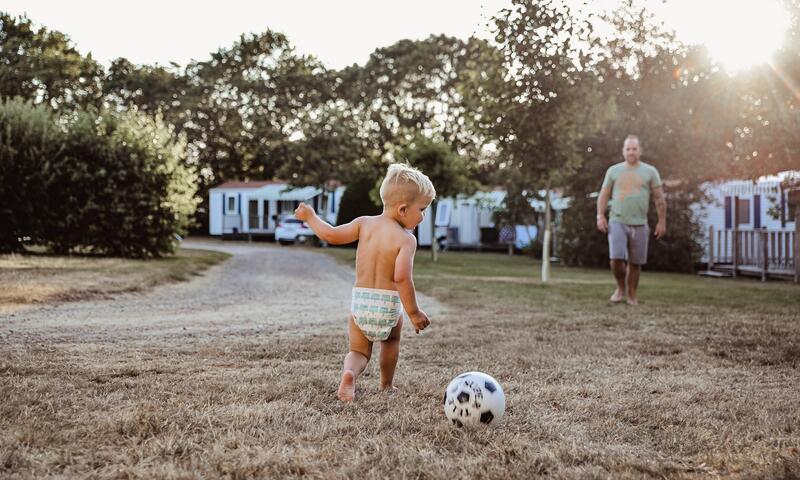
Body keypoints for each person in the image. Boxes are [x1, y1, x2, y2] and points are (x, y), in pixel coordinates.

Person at [294, 164, 434, 402]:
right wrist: (414, 312)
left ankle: (350, 373)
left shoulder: (364, 224)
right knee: (391, 342)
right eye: (422, 209)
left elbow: (330, 234)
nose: (423, 216)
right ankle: (386, 384)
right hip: (387, 305)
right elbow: (401, 278)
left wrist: (311, 217)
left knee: (359, 351)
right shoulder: (406, 240)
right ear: (403, 209)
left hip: (361, 302)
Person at [596, 135, 667, 305]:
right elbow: (604, 194)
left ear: (640, 151)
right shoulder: (613, 171)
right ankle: (620, 288)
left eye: (634, 149)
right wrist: (600, 215)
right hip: (617, 220)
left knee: (635, 262)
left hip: (640, 223)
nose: (631, 152)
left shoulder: (650, 171)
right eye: (628, 149)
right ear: (623, 151)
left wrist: (662, 221)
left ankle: (632, 294)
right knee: (616, 258)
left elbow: (659, 199)